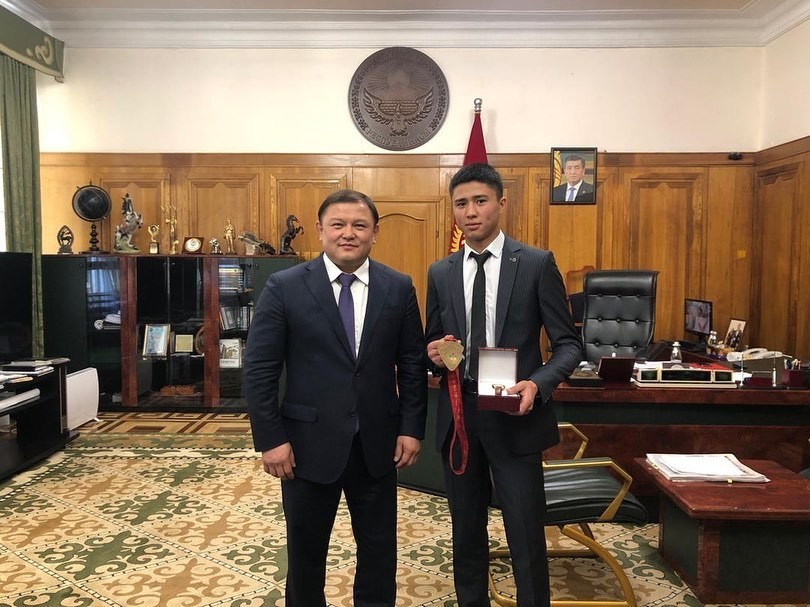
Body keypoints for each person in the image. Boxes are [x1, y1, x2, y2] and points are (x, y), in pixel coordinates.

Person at [244, 188, 427, 607]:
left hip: (378, 444)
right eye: (338, 224)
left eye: (359, 225)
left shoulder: (398, 287)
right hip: (305, 447)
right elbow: (260, 369)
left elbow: (412, 364)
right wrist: (271, 439)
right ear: (320, 230)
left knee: (379, 553)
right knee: (306, 555)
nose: (349, 233)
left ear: (375, 233)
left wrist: (411, 428)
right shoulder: (285, 286)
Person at [425, 163, 582, 607]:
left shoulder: (535, 263)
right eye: (461, 204)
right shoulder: (440, 271)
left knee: (525, 534)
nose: (471, 212)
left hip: (514, 411)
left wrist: (538, 383)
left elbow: (569, 345)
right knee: (465, 533)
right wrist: (432, 353)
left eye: (480, 201)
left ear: (501, 203)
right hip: (460, 414)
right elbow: (430, 344)